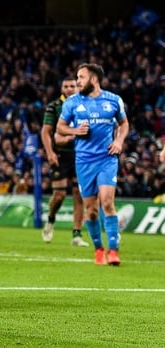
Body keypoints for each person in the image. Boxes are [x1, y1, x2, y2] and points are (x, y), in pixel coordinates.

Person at [57, 63, 128, 266]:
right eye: (77, 77)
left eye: (81, 77)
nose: (77, 81)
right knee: (92, 210)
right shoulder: (72, 103)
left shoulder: (113, 100)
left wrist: (119, 141)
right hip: (84, 161)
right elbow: (60, 127)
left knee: (107, 202)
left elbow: (124, 124)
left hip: (106, 159)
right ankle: (99, 250)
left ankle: (113, 250)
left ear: (94, 79)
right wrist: (75, 131)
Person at [39, 77, 88, 246]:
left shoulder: (85, 104)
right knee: (59, 195)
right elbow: (46, 131)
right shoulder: (54, 106)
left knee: (79, 195)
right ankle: (51, 219)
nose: (69, 89)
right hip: (60, 155)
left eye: (72, 86)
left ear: (77, 87)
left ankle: (76, 235)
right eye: (65, 86)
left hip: (80, 155)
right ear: (61, 88)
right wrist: (50, 152)